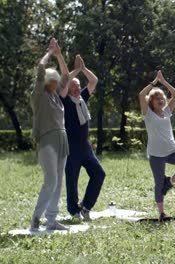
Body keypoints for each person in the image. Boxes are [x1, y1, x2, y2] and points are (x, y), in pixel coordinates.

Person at [30, 38, 80, 231]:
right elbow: (41, 68)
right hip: (47, 140)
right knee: (50, 180)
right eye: (53, 80)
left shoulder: (56, 96)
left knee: (58, 182)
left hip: (62, 139)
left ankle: (51, 220)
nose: (56, 82)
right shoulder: (39, 95)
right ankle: (36, 217)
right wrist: (50, 52)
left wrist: (59, 55)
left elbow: (66, 75)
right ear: (47, 81)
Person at [139, 70, 175, 221]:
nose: (160, 99)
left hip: (172, 150)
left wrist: (163, 82)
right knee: (158, 184)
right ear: (151, 102)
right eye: (156, 98)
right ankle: (162, 213)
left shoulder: (167, 112)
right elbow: (141, 95)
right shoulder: (148, 113)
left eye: (162, 97)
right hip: (156, 154)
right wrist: (154, 83)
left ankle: (170, 181)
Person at [61, 55, 106, 221]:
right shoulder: (64, 100)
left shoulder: (83, 98)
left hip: (85, 146)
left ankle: (86, 207)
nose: (77, 89)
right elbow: (64, 82)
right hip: (71, 146)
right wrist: (75, 71)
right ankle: (74, 211)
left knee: (99, 173)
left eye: (78, 86)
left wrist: (83, 69)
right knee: (72, 180)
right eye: (74, 87)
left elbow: (94, 81)